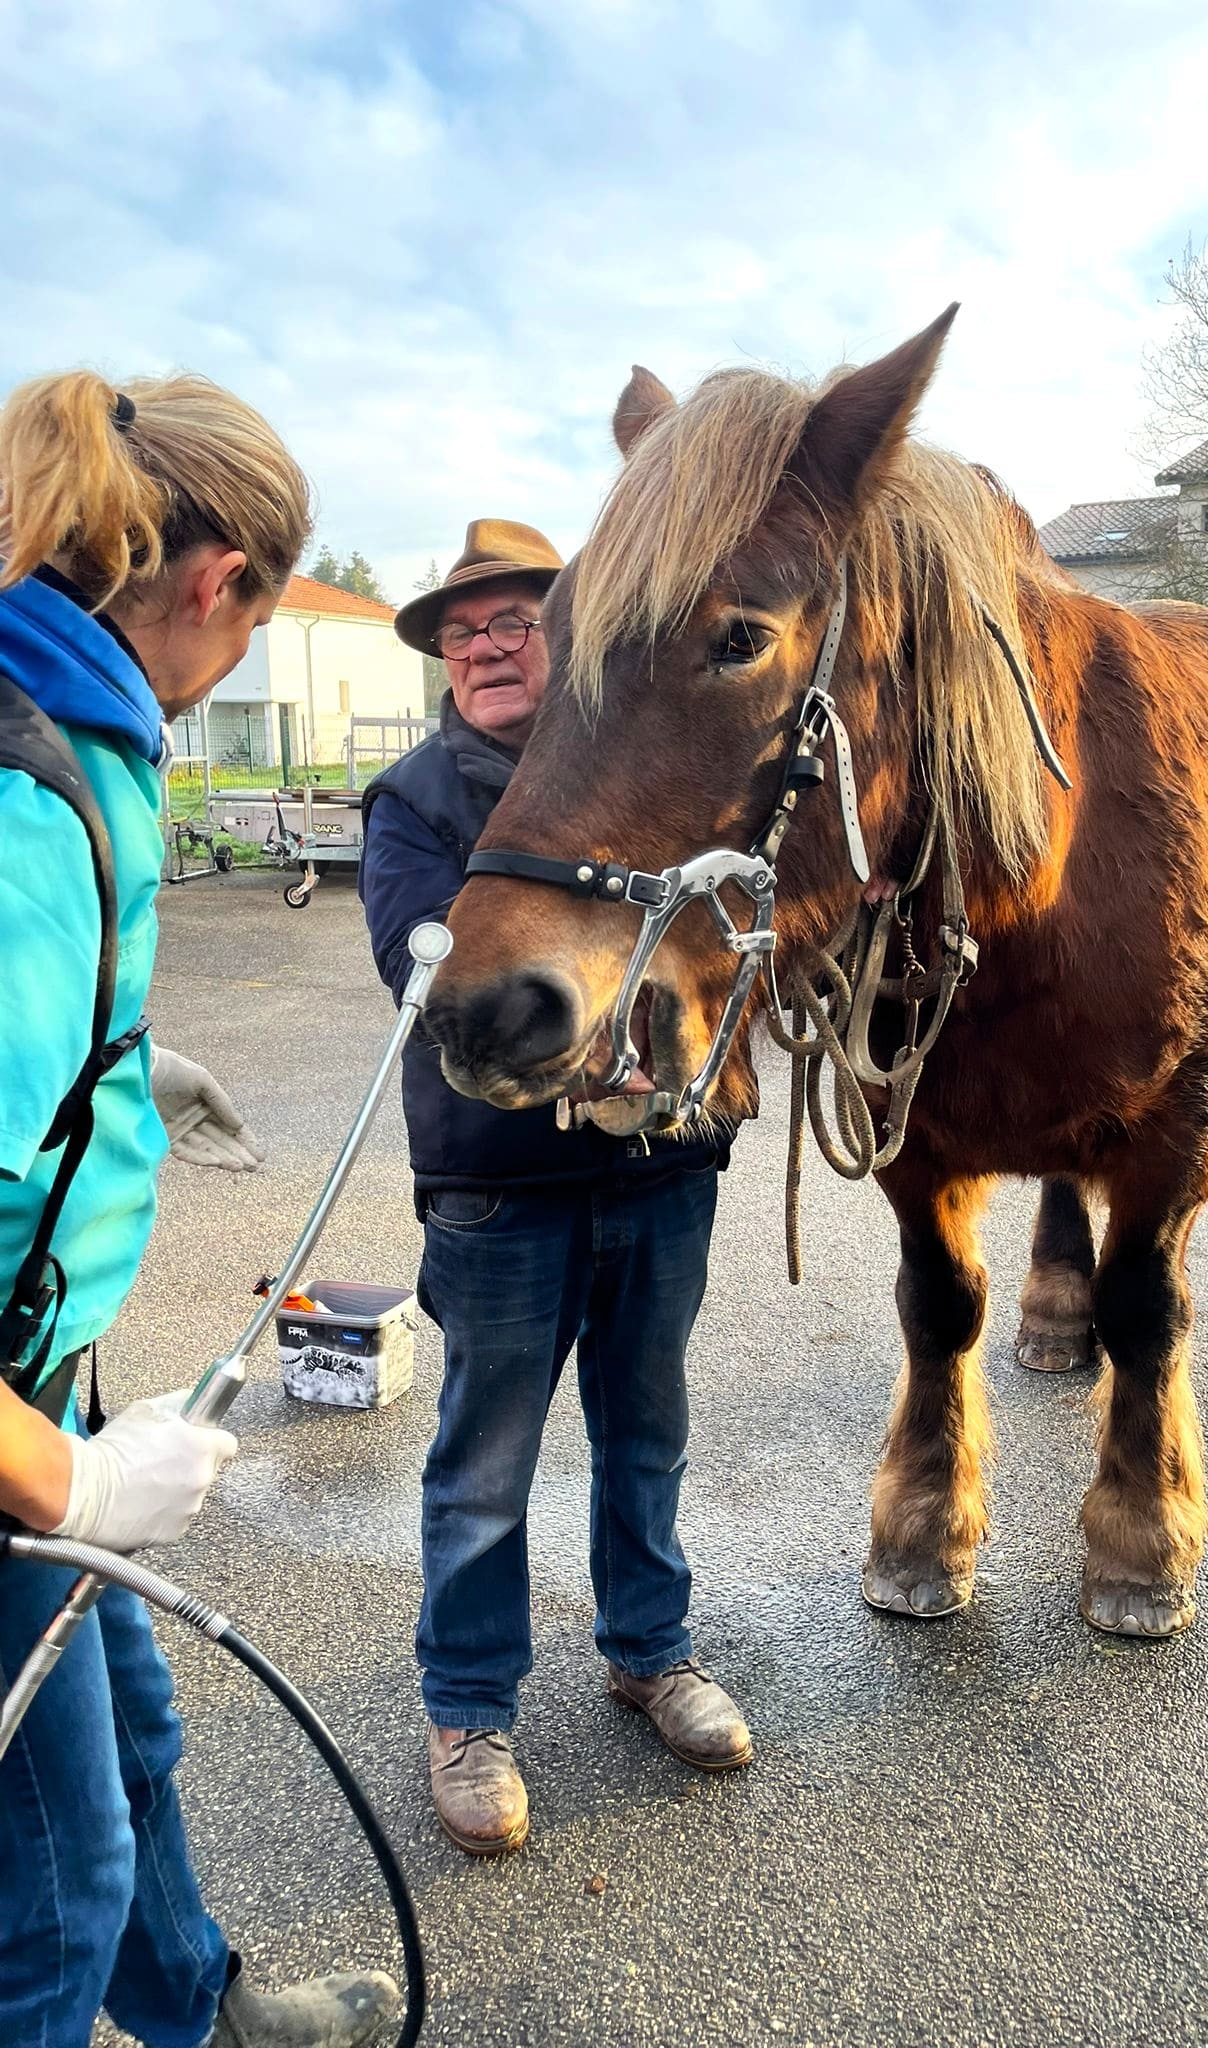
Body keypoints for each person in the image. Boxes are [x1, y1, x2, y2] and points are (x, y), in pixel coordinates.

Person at [0, 370, 398, 2048]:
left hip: (42, 1353)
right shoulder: (32, 801)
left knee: (139, 1722)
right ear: (219, 582)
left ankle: (207, 2016)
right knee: (54, 1885)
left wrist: (111, 1069)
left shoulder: (60, 718)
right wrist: (71, 1476)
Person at [360, 521, 751, 1858]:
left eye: (510, 620)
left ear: (569, 636)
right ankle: (468, 1711)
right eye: (458, 632)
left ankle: (651, 1651)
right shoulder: (416, 796)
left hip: (660, 1176)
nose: (481, 644)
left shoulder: (652, 765)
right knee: (484, 1468)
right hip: (499, 1192)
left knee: (647, 1437)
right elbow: (423, 974)